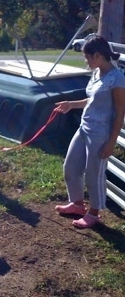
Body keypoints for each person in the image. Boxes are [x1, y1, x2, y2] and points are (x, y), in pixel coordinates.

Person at [54, 35, 125, 228]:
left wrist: (111, 142)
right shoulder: (96, 73)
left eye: (87, 57)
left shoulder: (117, 79)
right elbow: (92, 101)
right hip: (84, 127)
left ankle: (94, 213)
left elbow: (120, 112)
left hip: (100, 133)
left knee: (94, 174)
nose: (85, 61)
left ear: (98, 55)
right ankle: (77, 205)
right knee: (70, 167)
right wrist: (71, 105)